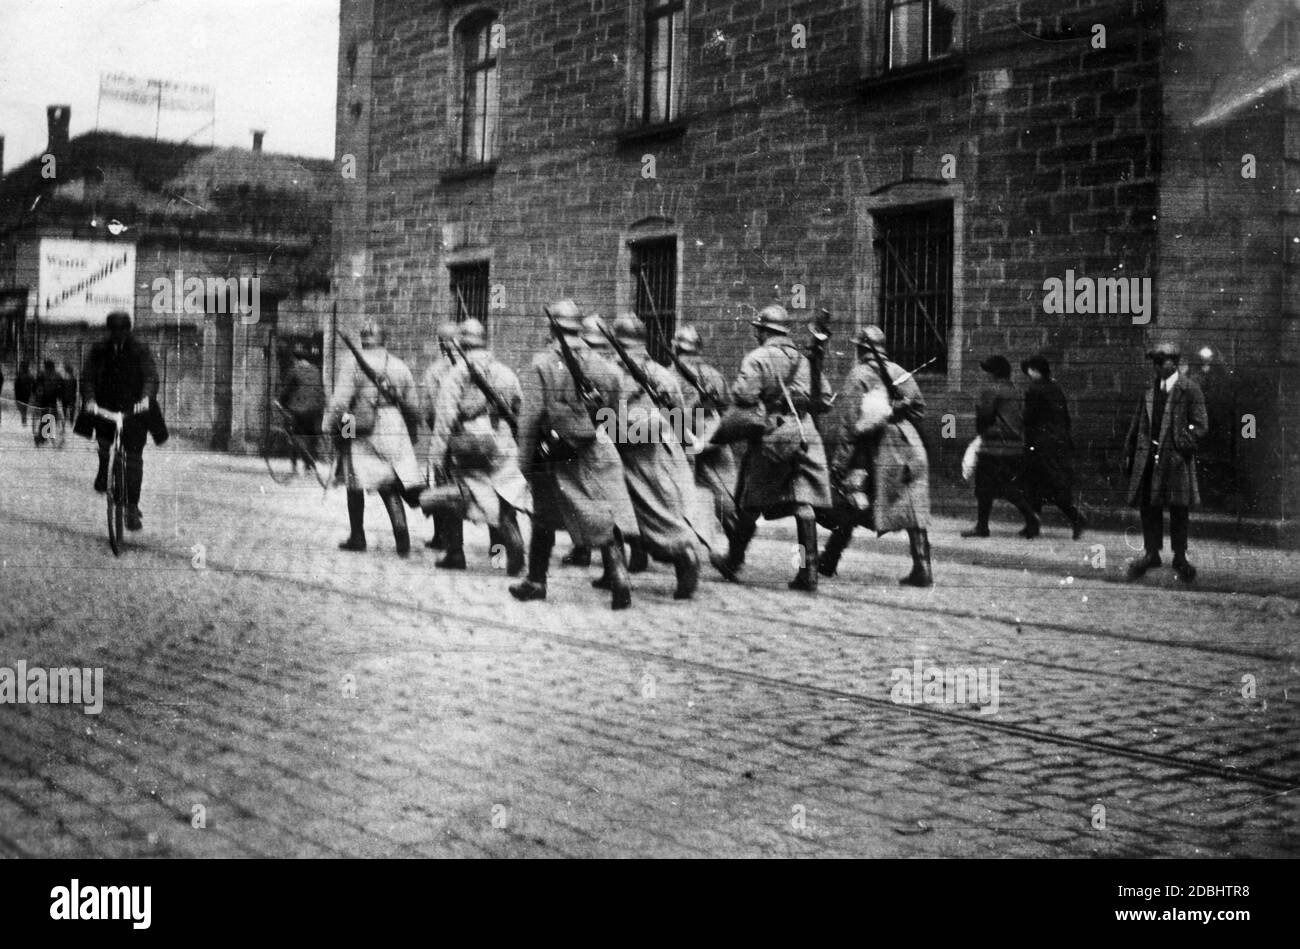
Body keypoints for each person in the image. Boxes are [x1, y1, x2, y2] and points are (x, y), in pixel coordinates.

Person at [509, 299, 640, 610]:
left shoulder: (541, 364)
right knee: (604, 514)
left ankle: (536, 581)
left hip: (554, 454)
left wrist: (525, 462)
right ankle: (619, 576)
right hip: (596, 447)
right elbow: (616, 420)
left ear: (553, 326)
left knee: (542, 518)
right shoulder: (607, 368)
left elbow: (530, 418)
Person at [709, 303, 833, 591]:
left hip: (772, 436)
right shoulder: (805, 360)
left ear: (763, 331)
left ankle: (733, 560)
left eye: (758, 330)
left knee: (750, 504)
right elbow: (823, 397)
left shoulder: (758, 357)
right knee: (804, 505)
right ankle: (808, 570)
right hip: (805, 433)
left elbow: (743, 395)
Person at [818, 326, 933, 586]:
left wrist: (839, 465)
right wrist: (896, 414)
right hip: (909, 445)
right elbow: (919, 410)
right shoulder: (900, 372)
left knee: (852, 501)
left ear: (861, 349)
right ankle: (923, 568)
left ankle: (828, 559)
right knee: (914, 508)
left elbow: (849, 426)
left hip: (875, 450)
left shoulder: (858, 375)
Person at [600, 314, 704, 599]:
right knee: (661, 515)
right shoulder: (664, 374)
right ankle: (683, 558)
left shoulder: (608, 372)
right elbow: (680, 421)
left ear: (617, 342)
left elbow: (601, 415)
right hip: (660, 454)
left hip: (623, 451)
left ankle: (618, 575)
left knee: (613, 513)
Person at [426, 318, 529, 574]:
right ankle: (500, 554)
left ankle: (455, 553)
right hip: (502, 444)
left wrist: (436, 458)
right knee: (502, 497)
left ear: (461, 343)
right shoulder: (505, 372)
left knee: (456, 495)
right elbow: (520, 408)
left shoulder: (456, 373)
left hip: (469, 444)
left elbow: (444, 418)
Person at [325, 320, 423, 556]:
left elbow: (339, 404)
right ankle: (402, 539)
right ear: (384, 340)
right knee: (388, 482)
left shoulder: (353, 363)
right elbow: (413, 407)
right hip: (394, 425)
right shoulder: (399, 366)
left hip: (359, 424)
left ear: (363, 340)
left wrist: (333, 428)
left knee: (353, 478)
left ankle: (357, 536)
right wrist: (410, 435)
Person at [1122, 341, 1208, 583]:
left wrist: (1182, 444)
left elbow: (1201, 425)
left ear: (1176, 362)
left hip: (1175, 460)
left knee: (1179, 508)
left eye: (1163, 361)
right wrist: (1131, 450)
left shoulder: (1189, 389)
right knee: (1149, 506)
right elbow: (1138, 424)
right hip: (1149, 456)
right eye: (1155, 362)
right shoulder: (1150, 392)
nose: (1158, 366)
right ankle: (1152, 553)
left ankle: (1180, 557)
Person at [80, 311, 161, 531]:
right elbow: (87, 377)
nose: (118, 335)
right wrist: (89, 400)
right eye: (114, 331)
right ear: (109, 330)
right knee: (104, 440)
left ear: (128, 330)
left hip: (133, 408)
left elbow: (151, 377)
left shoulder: (140, 349)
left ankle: (132, 508)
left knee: (134, 458)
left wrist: (145, 398)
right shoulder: (99, 349)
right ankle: (104, 464)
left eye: (122, 330)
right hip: (105, 404)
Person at [670, 324, 740, 549]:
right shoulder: (714, 374)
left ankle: (683, 551)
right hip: (711, 436)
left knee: (678, 494)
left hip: (682, 436)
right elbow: (728, 408)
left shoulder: (668, 374)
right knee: (723, 497)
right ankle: (736, 548)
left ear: (675, 348)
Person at [962, 355, 1040, 539]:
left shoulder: (991, 390)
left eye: (987, 371)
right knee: (1006, 485)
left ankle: (984, 526)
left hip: (994, 445)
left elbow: (984, 417)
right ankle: (1030, 519)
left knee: (985, 487)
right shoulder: (1014, 389)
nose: (984, 375)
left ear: (993, 373)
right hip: (1014, 446)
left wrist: (980, 430)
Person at [1021, 353, 1086, 539]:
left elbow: (1028, 419)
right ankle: (1032, 526)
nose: (1028, 374)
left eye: (1030, 370)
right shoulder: (1055, 388)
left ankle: (1075, 518)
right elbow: (1065, 418)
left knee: (1039, 485)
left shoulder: (1034, 389)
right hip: (1059, 444)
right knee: (1047, 485)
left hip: (1041, 445)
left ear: (1035, 370)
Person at [421, 322, 461, 550]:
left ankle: (441, 537)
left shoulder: (435, 371)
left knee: (440, 485)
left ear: (440, 343)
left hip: (444, 436)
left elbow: (429, 410)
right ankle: (496, 546)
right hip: (471, 437)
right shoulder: (473, 366)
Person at [279, 343, 326, 476]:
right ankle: (308, 466)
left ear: (295, 358)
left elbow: (286, 390)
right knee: (311, 437)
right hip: (315, 410)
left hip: (298, 410)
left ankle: (294, 467)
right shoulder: (316, 369)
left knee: (294, 437)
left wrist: (280, 402)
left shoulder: (294, 370)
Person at [31, 359, 63, 446]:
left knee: (45, 417)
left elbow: (35, 386)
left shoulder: (42, 374)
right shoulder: (57, 375)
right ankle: (45, 437)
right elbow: (61, 388)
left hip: (44, 399)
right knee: (51, 418)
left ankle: (42, 438)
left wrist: (35, 396)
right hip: (53, 399)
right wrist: (60, 397)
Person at [14, 361, 34, 426]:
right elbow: (16, 384)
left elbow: (32, 383)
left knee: (23, 407)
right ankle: (24, 419)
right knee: (22, 408)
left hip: (24, 394)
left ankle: (24, 420)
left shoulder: (25, 374)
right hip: (22, 393)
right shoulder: (21, 374)